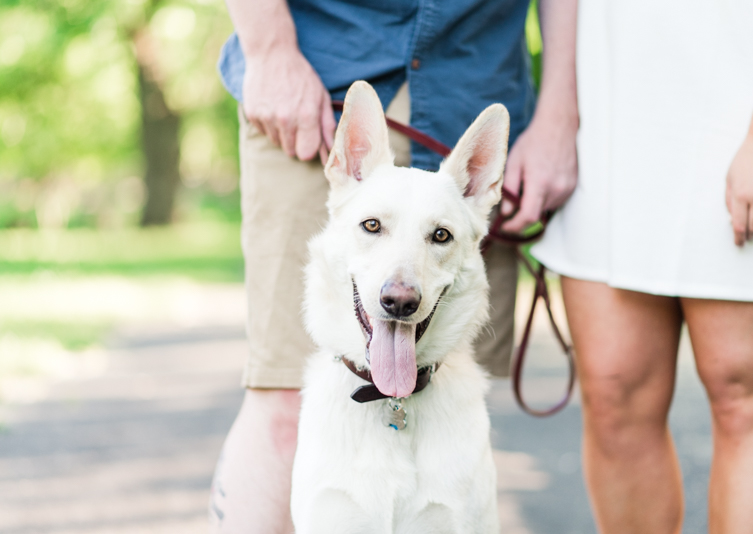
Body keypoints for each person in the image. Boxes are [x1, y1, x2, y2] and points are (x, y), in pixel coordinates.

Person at [209, 0, 579, 532]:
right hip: (317, 82)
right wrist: (267, 50)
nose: (399, 289)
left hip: (473, 77)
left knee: (452, 406)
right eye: (372, 229)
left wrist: (558, 117)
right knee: (279, 402)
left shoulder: (470, 190)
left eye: (441, 236)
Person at [528, 0, 753, 532]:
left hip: (747, 103)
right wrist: (558, 117)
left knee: (743, 395)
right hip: (608, 114)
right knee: (613, 395)